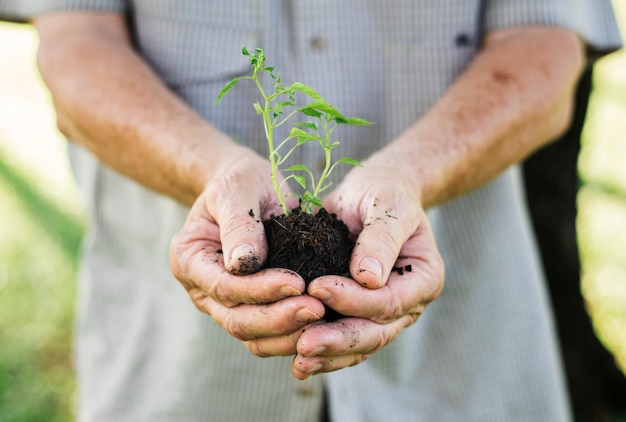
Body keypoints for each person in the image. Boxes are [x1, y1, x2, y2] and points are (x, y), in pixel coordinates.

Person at [0, 1, 622, 421]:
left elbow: (545, 44)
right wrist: (213, 169)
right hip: (179, 370)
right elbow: (77, 43)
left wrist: (408, 174)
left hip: (459, 361)